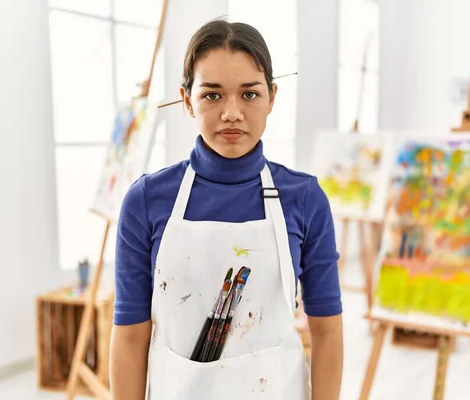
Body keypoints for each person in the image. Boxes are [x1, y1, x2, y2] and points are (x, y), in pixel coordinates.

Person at [109, 18, 343, 400]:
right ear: (187, 100)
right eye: (212, 95)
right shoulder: (147, 200)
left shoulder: (304, 198)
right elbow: (131, 337)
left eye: (249, 94)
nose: (231, 113)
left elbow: (328, 330)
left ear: (272, 96)